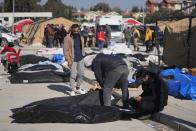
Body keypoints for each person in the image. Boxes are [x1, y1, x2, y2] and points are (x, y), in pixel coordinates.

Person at [63, 24, 85, 96]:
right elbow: (65, 50)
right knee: (73, 75)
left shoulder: (80, 36)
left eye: (77, 30)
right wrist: (68, 60)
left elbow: (82, 46)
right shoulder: (67, 38)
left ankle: (78, 88)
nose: (76, 32)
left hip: (80, 58)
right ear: (71, 30)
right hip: (72, 59)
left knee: (81, 74)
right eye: (74, 31)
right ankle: (72, 89)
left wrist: (84, 54)